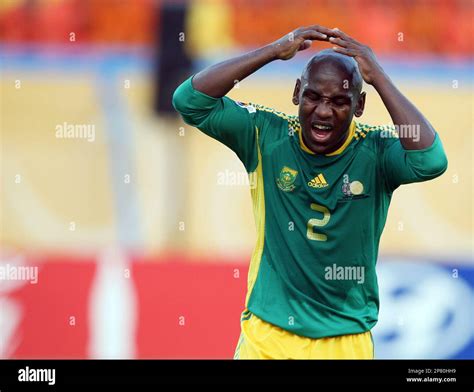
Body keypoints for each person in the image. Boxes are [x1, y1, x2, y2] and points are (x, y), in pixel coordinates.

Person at [172, 25, 448, 359]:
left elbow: (431, 160)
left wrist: (379, 77)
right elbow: (189, 101)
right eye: (313, 97)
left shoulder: (375, 152)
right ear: (296, 93)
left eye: (339, 102)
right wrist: (273, 50)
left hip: (344, 340)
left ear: (359, 105)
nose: (323, 112)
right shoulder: (265, 135)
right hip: (268, 335)